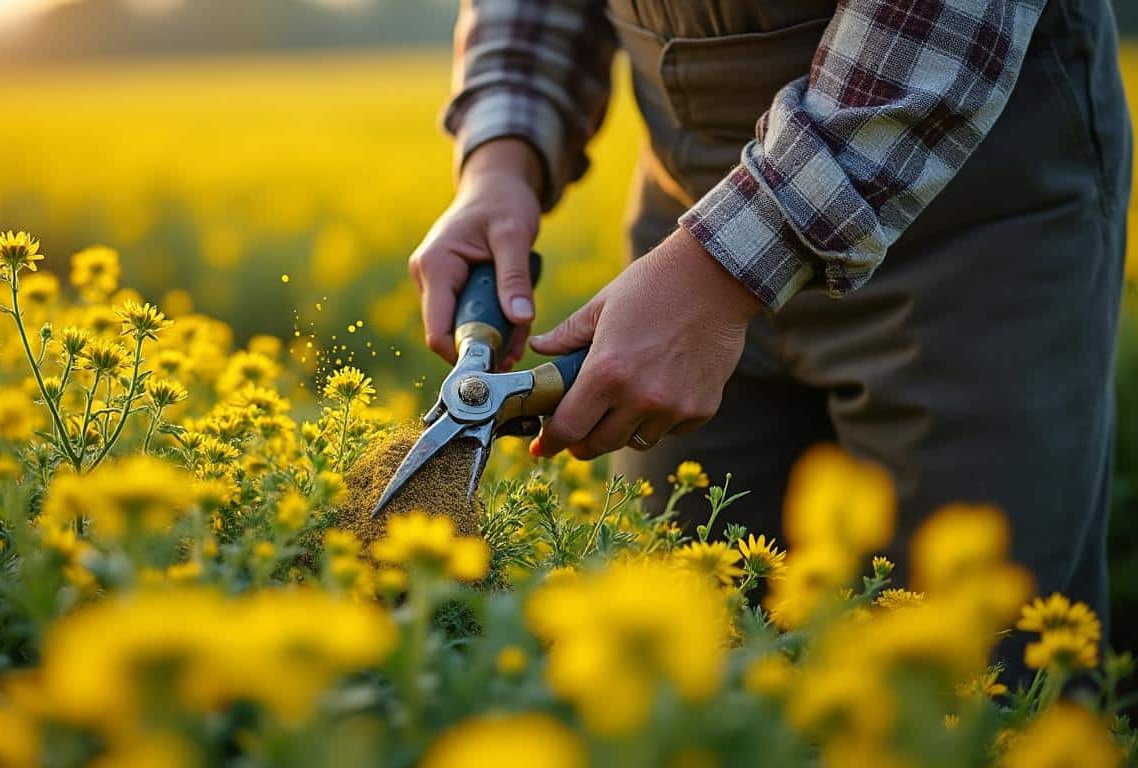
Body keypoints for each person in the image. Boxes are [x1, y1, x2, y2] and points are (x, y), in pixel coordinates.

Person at [410, 0, 1131, 656]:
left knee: (966, 668)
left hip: (966, 204)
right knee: (678, 646)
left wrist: (725, 268)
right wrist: (499, 160)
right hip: (687, 235)